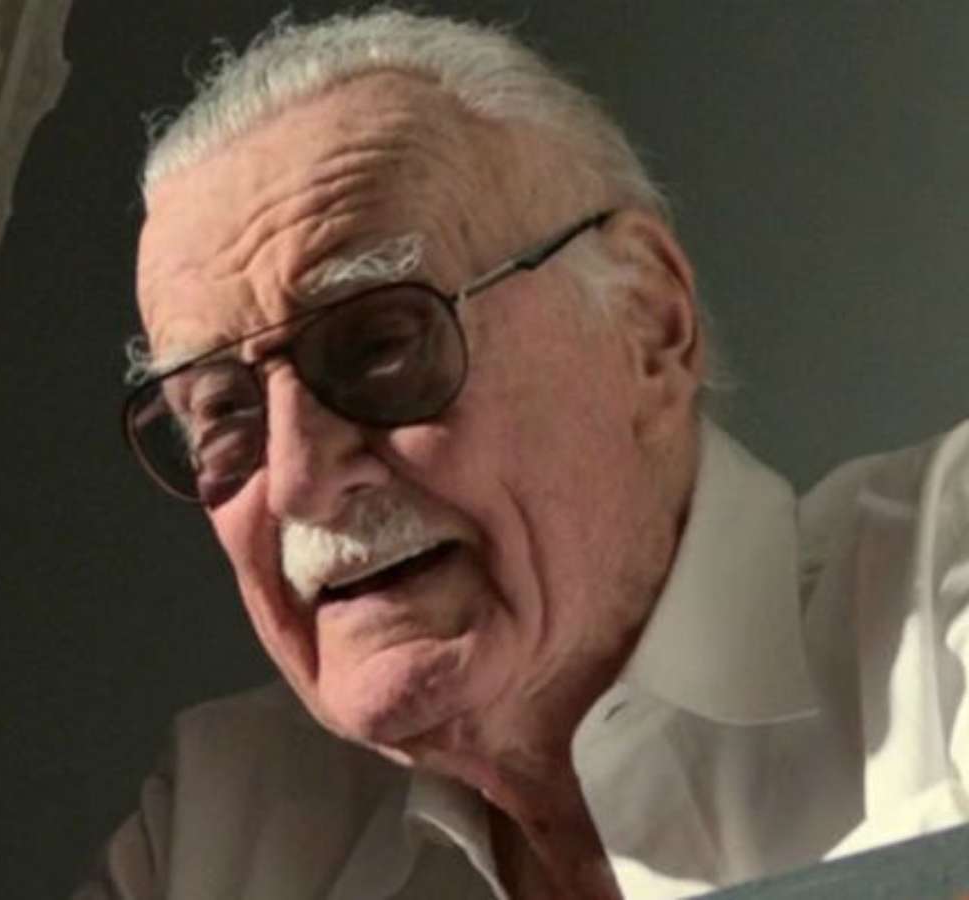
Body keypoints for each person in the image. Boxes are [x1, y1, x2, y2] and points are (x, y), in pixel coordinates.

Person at [75, 9, 969, 899]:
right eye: (223, 412)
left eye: (381, 345)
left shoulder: (944, 582)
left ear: (648, 323)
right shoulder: (219, 833)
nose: (300, 482)